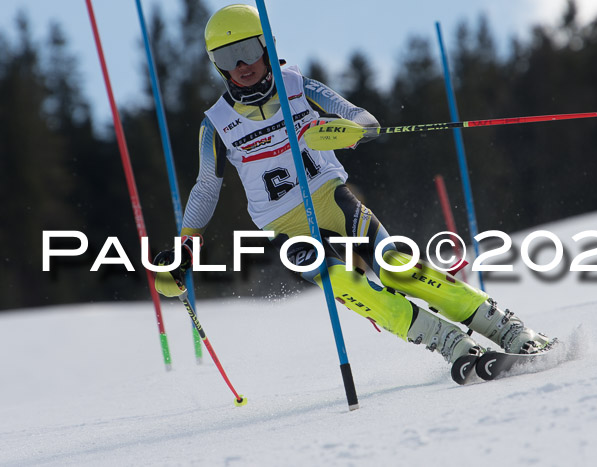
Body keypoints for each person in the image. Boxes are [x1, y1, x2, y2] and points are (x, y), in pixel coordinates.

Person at [153, 4, 551, 383]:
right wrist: (187, 244)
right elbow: (206, 186)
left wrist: (349, 131)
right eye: (226, 58)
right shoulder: (215, 125)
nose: (240, 66)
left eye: (246, 50)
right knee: (344, 283)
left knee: (394, 265)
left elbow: (365, 120)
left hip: (330, 199)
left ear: (267, 46)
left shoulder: (299, 86)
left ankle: (507, 329)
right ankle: (448, 342)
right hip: (284, 228)